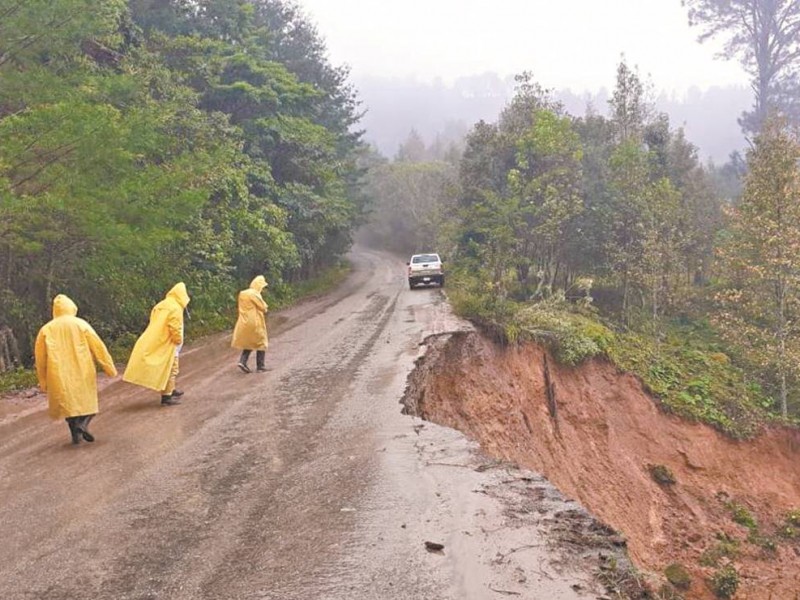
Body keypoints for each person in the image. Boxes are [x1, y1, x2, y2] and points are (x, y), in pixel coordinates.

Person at [35, 294, 117, 445]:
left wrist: (43, 381)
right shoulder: (81, 324)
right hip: (82, 370)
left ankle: (76, 437)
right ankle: (83, 425)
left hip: (58, 373)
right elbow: (98, 347)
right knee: (89, 404)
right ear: (72, 307)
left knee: (69, 406)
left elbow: (40, 359)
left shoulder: (46, 329)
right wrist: (109, 367)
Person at [123, 282, 190, 406]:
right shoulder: (175, 307)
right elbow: (174, 326)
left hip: (157, 339)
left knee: (167, 367)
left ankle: (171, 389)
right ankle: (167, 397)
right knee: (171, 368)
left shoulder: (161, 305)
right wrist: (178, 340)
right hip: (167, 342)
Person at [232, 275, 269, 373]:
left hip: (243, 322)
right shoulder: (255, 294)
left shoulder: (243, 294)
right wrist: (265, 306)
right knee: (261, 342)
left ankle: (242, 361)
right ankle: (260, 366)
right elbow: (263, 307)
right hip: (255, 321)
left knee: (249, 341)